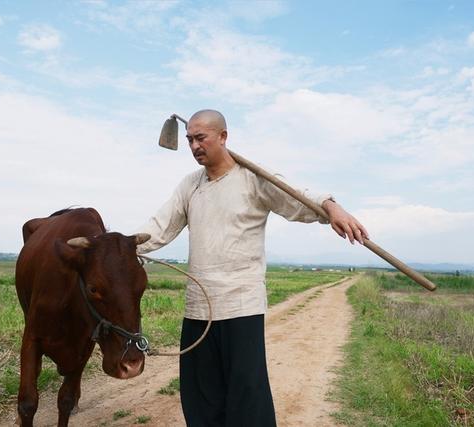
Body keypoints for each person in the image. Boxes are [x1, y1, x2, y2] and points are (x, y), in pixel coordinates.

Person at [136, 109, 369, 426]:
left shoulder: (253, 179)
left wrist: (330, 206)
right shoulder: (189, 186)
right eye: (190, 139)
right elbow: (158, 228)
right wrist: (113, 247)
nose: (193, 146)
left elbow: (298, 198)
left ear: (223, 136)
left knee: (247, 395)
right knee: (201, 398)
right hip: (198, 308)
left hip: (241, 306)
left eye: (200, 138)